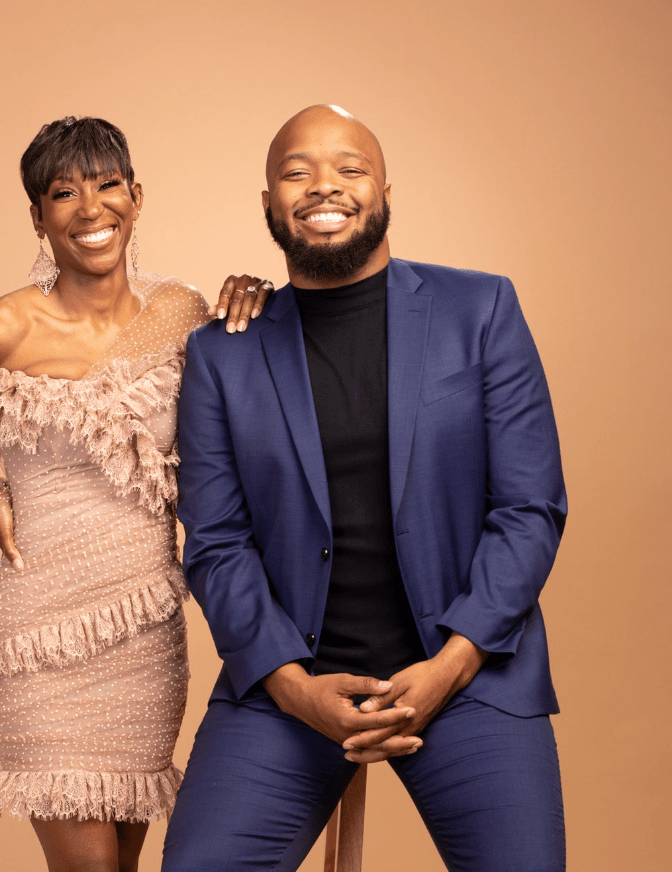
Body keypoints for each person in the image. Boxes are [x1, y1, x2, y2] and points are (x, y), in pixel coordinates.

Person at [0, 116, 272, 872]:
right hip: (40, 634)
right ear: (38, 216)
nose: (90, 208)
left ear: (136, 196)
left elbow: (253, 396)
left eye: (107, 185)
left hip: (146, 633)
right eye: (64, 192)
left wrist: (260, 295)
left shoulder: (180, 311)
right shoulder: (1, 326)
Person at [166, 104, 568, 871]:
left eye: (350, 169)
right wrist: (293, 689)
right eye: (298, 172)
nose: (325, 186)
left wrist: (450, 667)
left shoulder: (480, 310)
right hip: (288, 684)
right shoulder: (223, 353)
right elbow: (216, 543)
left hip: (470, 673)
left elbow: (529, 509)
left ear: (385, 190)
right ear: (269, 203)